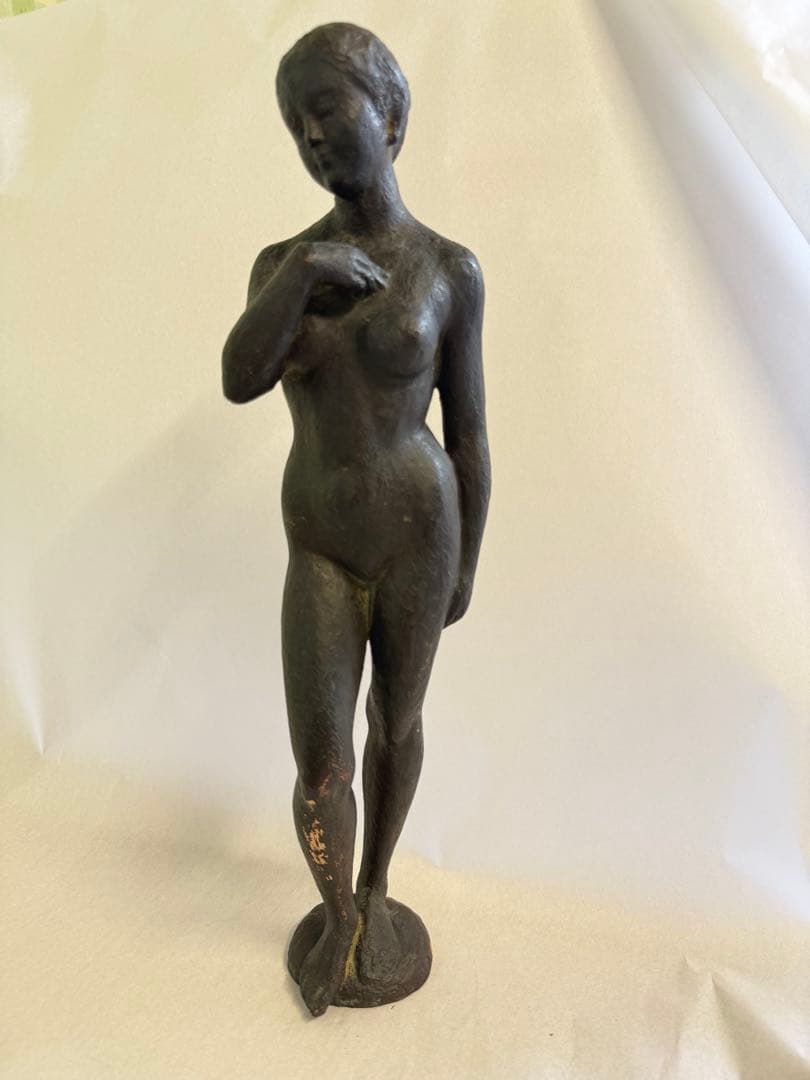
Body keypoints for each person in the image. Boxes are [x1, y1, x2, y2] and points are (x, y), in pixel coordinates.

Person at [222, 22, 490, 1017]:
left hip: (423, 534)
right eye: (297, 123)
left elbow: (469, 433)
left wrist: (468, 563)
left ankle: (374, 890)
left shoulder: (448, 269)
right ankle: (336, 916)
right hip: (323, 547)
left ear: (391, 116)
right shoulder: (282, 265)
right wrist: (303, 275)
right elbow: (239, 377)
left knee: (397, 723)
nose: (313, 136)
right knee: (320, 758)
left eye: (329, 109)